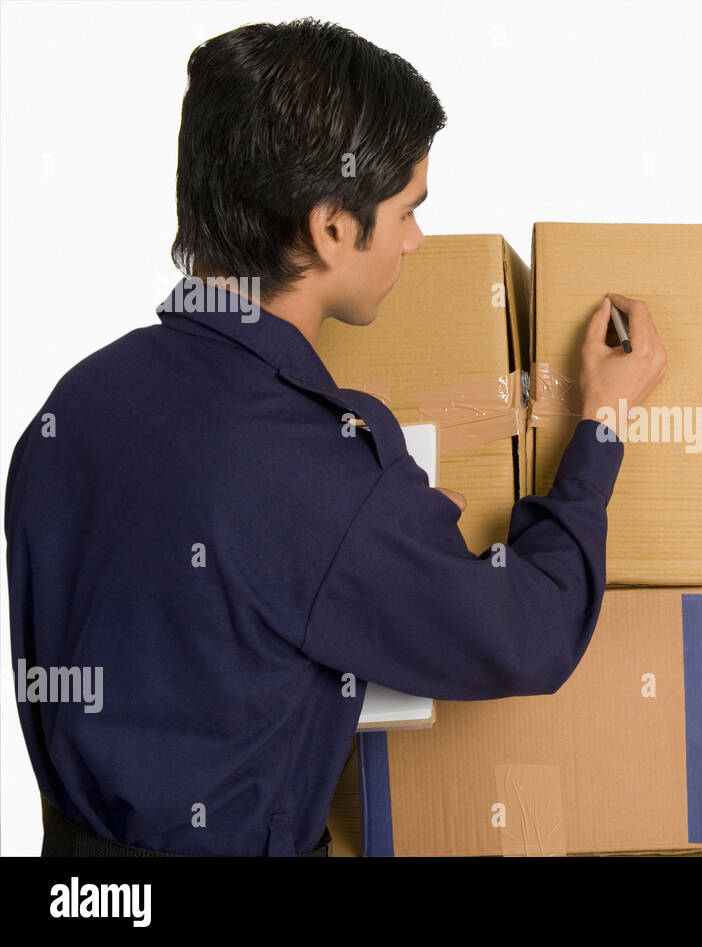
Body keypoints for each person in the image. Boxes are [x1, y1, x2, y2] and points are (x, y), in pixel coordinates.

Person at [5, 18, 666, 857]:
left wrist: (371, 541)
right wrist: (601, 422)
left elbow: (200, 615)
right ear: (329, 228)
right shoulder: (317, 469)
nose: (416, 239)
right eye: (406, 210)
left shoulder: (72, 404)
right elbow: (532, 635)